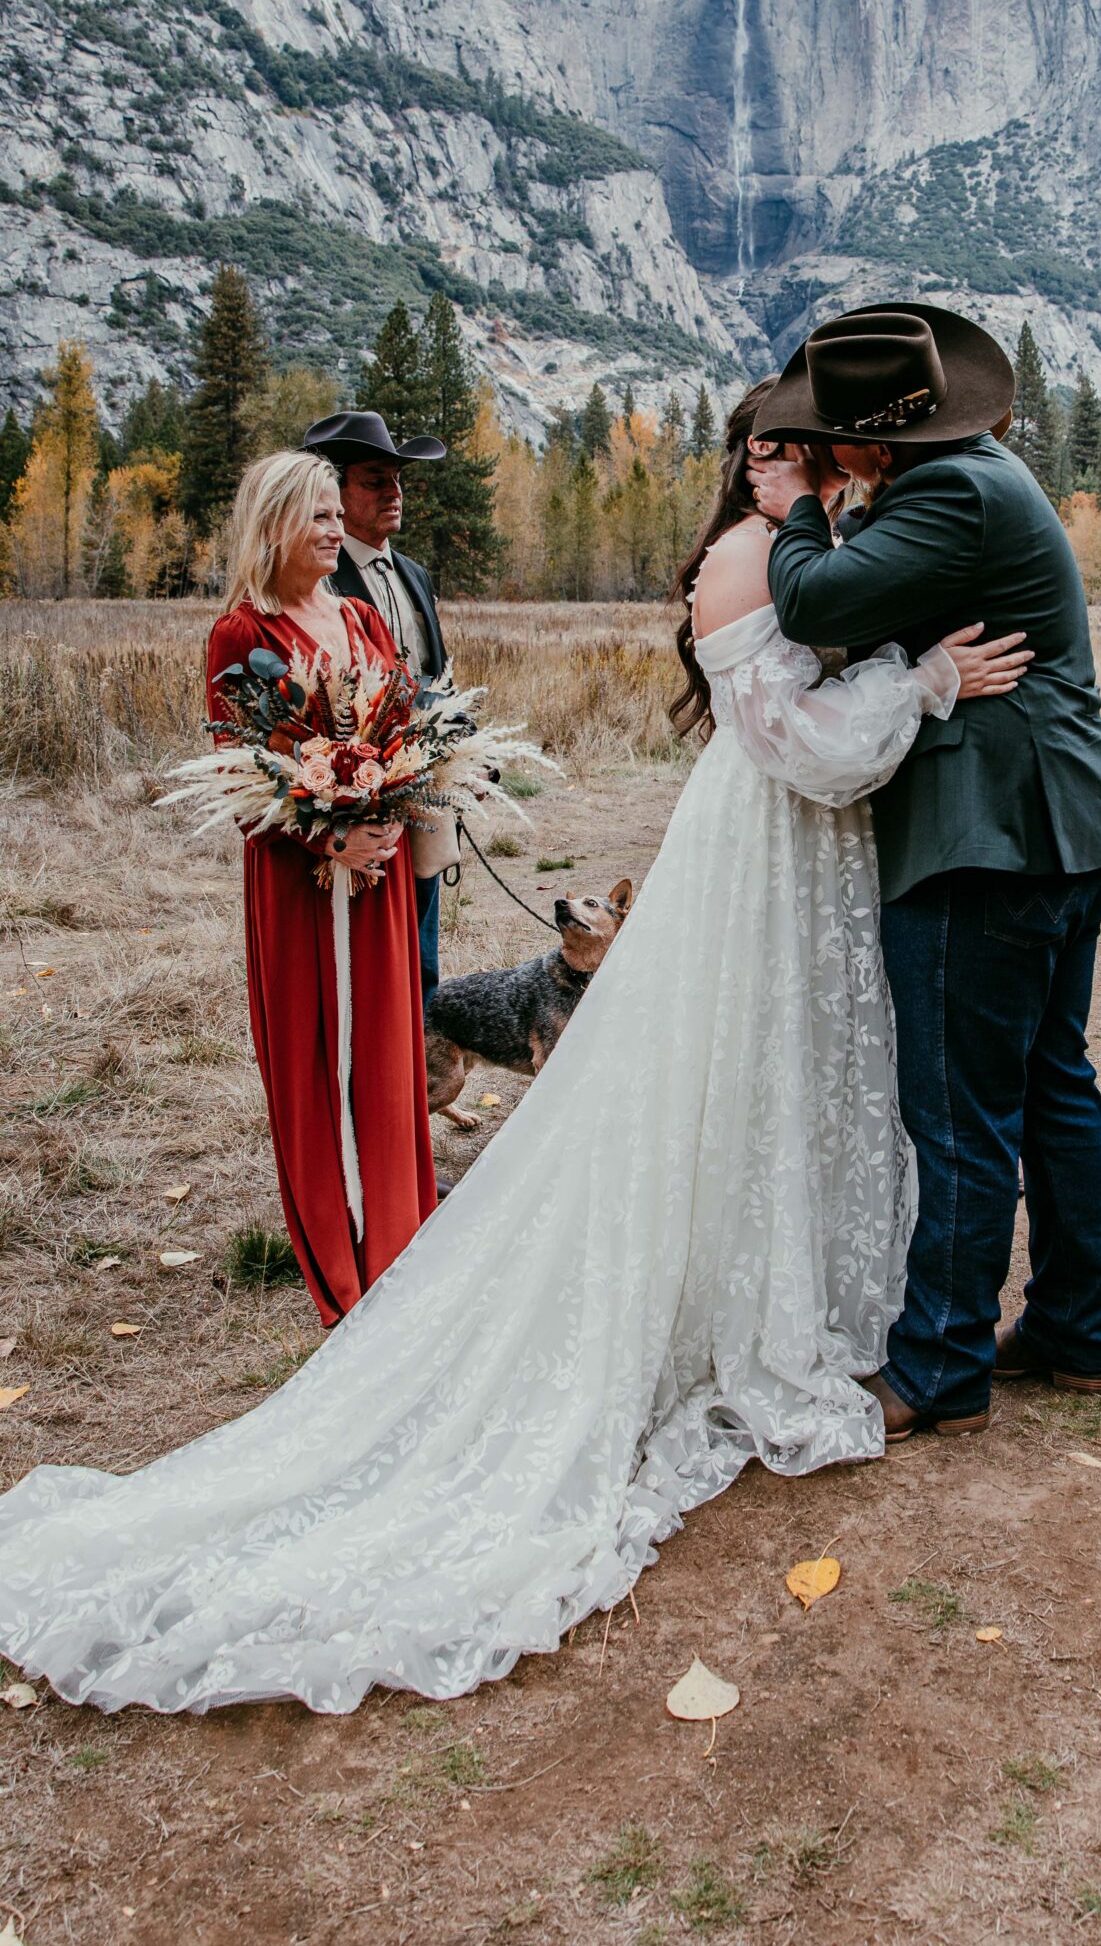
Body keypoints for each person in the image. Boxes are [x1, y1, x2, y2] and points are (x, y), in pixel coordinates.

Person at [0, 388, 1028, 1714]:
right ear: (749, 462)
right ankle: (394, 1262)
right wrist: (931, 676)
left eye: (820, 451)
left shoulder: (812, 554)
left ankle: (760, 1287)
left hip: (787, 857)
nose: (805, 467)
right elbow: (805, 742)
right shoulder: (744, 558)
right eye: (781, 450)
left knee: (772, 1085)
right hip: (756, 840)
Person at [748, 304, 1101, 1439]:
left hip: (990, 840)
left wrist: (799, 513)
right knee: (1053, 1082)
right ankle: (1077, 1329)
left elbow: (815, 600)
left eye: (829, 443)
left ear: (867, 447)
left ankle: (940, 1364)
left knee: (961, 1108)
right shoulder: (982, 472)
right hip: (1060, 829)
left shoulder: (946, 493)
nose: (820, 458)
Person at [207, 450, 437, 1325]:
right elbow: (237, 774)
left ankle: (400, 1241)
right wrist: (327, 833)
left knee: (384, 1054)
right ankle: (343, 1266)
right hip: (301, 881)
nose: (336, 530)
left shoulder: (364, 623)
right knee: (315, 1058)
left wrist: (391, 810)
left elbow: (408, 730)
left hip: (376, 873)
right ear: (272, 527)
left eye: (338, 515)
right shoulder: (243, 635)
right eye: (317, 517)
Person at [303, 411, 453, 1003]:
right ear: (334, 492)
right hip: (356, 794)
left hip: (424, 784)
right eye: (374, 480)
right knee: (369, 955)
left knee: (424, 938)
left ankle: (423, 1073)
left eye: (398, 479)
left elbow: (434, 672)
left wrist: (461, 748)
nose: (393, 492)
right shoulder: (318, 577)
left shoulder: (412, 572)